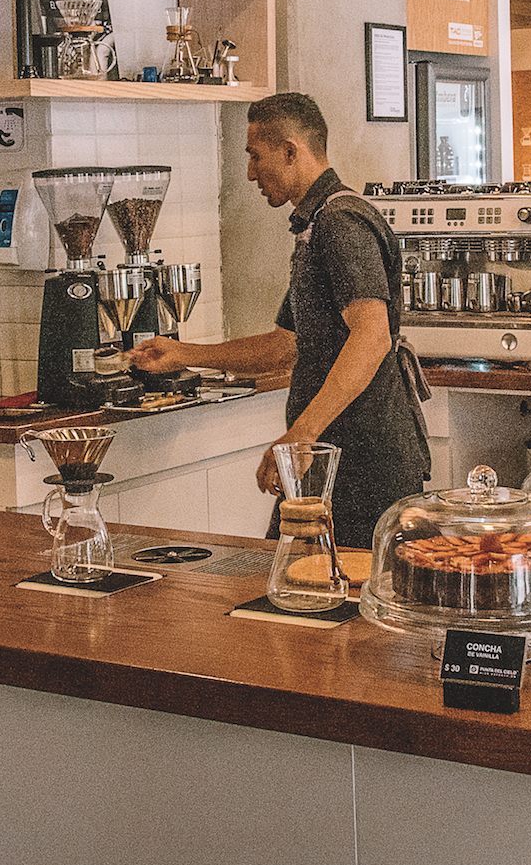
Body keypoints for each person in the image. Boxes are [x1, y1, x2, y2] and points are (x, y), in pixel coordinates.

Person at [127, 92, 430, 548]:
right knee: (292, 581)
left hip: (364, 459)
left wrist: (301, 436)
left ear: (290, 151)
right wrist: (185, 354)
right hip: (327, 456)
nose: (250, 171)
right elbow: (285, 345)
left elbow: (372, 337)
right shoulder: (314, 226)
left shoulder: (340, 222)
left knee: (328, 592)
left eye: (255, 155)